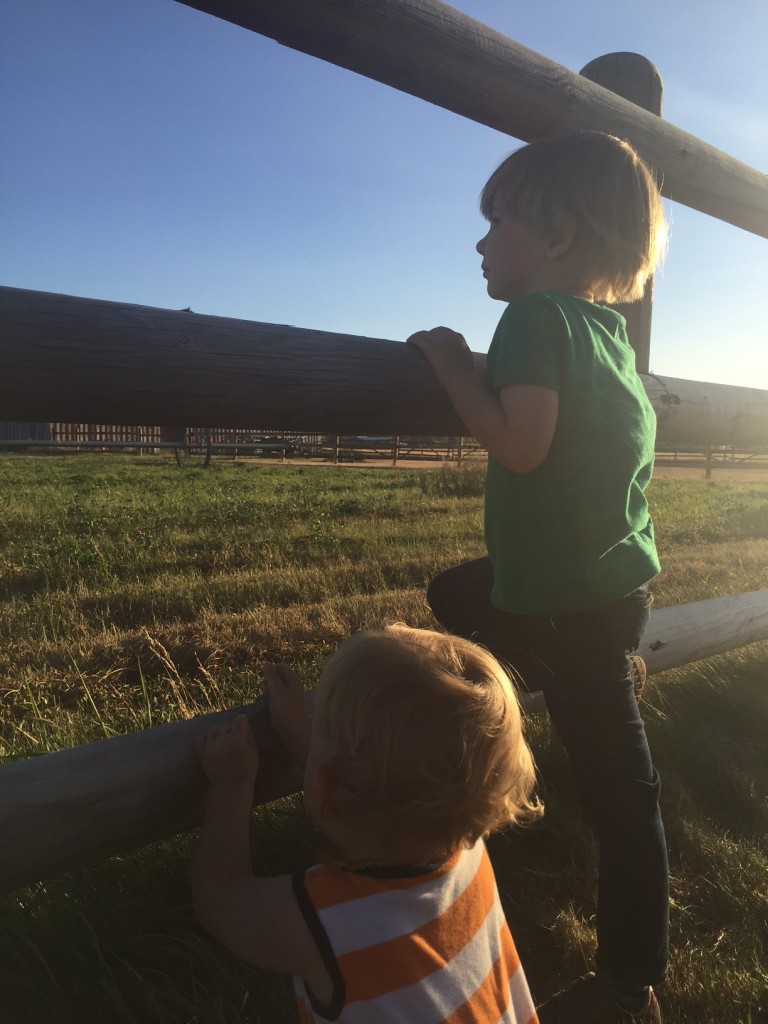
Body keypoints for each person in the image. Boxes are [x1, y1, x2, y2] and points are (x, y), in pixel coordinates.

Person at [407, 131, 668, 1024]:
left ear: (557, 237)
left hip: (566, 605)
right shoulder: (608, 337)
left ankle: (625, 983)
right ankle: (581, 676)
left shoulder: (533, 320)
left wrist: (449, 366)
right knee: (457, 592)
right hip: (611, 588)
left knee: (622, 801)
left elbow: (521, 445)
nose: (481, 243)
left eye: (498, 223)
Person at [192, 624, 544, 1023]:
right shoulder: (465, 847)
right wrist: (300, 731)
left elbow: (219, 901)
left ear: (324, 781)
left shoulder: (326, 921)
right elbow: (376, 784)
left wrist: (232, 783)